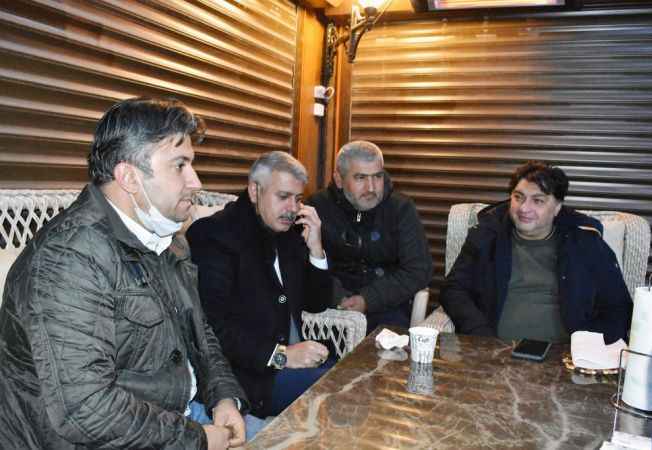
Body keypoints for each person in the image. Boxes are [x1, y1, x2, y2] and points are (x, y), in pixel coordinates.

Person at [0, 97, 248, 450]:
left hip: (179, 419)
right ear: (130, 177)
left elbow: (199, 333)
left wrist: (223, 396)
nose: (195, 181)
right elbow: (86, 409)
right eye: (180, 165)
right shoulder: (67, 259)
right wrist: (196, 440)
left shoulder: (166, 239)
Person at [186, 151, 333, 422]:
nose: (292, 208)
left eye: (298, 199)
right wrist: (282, 356)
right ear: (255, 191)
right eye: (283, 196)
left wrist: (316, 248)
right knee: (336, 394)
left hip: (296, 361)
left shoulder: (289, 232)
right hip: (247, 377)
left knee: (352, 379)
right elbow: (212, 328)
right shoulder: (215, 235)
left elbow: (317, 303)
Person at [440, 161, 632, 344]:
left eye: (538, 200)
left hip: (567, 357)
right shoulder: (487, 234)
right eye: (518, 197)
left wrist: (586, 348)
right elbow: (453, 289)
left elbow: (618, 307)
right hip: (495, 353)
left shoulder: (586, 242)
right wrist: (480, 333)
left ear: (557, 207)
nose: (524, 208)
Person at [308, 140, 433, 333]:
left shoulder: (401, 208)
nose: (371, 188)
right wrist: (338, 297)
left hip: (386, 307)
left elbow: (419, 270)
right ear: (339, 179)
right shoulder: (317, 207)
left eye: (377, 176)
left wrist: (368, 300)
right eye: (360, 178)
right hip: (328, 308)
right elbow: (300, 263)